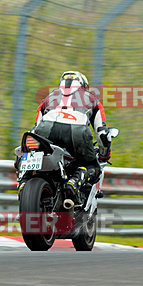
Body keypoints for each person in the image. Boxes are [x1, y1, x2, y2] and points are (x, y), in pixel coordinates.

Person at [32, 71, 112, 205]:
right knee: (93, 166)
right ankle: (75, 180)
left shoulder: (47, 98)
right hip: (77, 133)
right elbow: (102, 133)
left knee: (32, 153)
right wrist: (104, 155)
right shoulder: (92, 99)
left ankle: (24, 181)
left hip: (45, 129)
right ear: (84, 86)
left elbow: (35, 127)